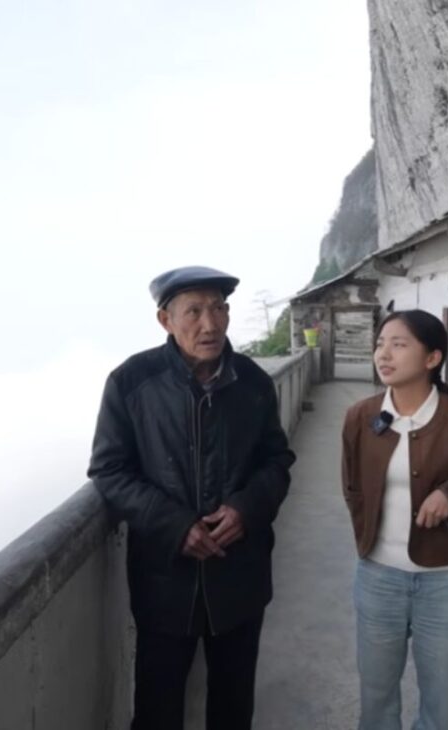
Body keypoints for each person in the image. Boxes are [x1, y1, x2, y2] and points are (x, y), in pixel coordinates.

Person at [88, 265, 295, 730]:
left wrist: (247, 508)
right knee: (158, 709)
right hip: (165, 580)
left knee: (233, 707)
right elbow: (108, 470)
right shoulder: (132, 382)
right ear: (165, 320)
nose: (210, 324)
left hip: (240, 575)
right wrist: (175, 525)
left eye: (219, 309)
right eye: (194, 311)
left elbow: (277, 461)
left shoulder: (253, 383)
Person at [341, 309, 448, 730]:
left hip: (445, 580)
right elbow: (352, 488)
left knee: (440, 693)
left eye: (399, 345)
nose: (384, 354)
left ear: (432, 358)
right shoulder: (360, 417)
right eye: (380, 344)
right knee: (376, 690)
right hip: (378, 576)